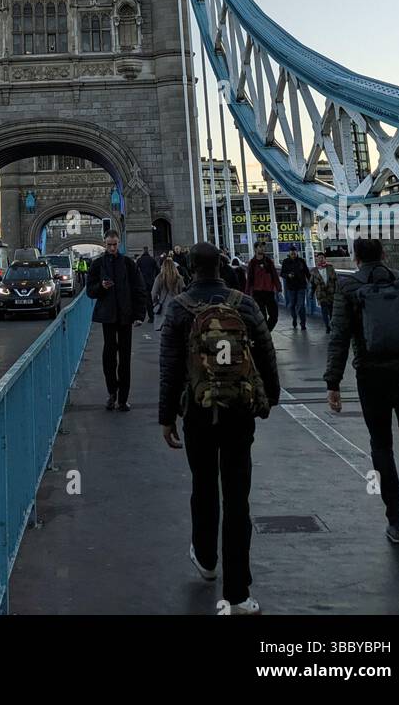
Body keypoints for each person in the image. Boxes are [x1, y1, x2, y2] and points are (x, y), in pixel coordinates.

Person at [159, 243, 281, 615]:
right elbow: (265, 351)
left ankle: (207, 559)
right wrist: (270, 397)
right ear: (221, 266)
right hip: (239, 410)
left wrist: (166, 417)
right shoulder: (243, 303)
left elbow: (170, 367)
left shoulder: (178, 308)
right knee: (237, 495)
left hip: (198, 410)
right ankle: (240, 594)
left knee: (204, 485)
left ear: (190, 268)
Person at [325, 236, 399, 557]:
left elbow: (338, 337)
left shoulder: (347, 288)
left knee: (382, 446)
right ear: (385, 255)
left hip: (371, 377)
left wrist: (333, 383)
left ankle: (397, 524)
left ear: (356, 258)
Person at [86, 231, 146, 411]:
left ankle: (123, 399)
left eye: (115, 244)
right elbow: (90, 291)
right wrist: (101, 288)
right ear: (104, 243)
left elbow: (139, 289)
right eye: (109, 244)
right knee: (109, 357)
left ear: (119, 243)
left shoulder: (128, 264)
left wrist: (139, 315)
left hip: (126, 316)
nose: (112, 248)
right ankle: (112, 392)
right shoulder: (97, 264)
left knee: (125, 359)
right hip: (108, 317)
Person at [245, 241, 281, 330]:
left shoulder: (269, 261)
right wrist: (247, 293)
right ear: (255, 248)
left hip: (269, 291)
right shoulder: (252, 263)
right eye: (260, 247)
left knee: (274, 315)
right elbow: (249, 278)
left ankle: (266, 332)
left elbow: (274, 275)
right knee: (262, 316)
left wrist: (278, 287)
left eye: (263, 247)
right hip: (257, 292)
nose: (262, 248)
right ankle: (264, 334)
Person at [281, 245, 311, 331]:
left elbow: (307, 273)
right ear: (289, 253)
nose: (293, 254)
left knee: (301, 305)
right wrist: (288, 275)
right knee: (292, 305)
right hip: (291, 287)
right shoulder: (285, 262)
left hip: (301, 286)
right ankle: (294, 319)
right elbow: (282, 273)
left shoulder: (301, 261)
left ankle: (303, 323)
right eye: (292, 252)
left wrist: (311, 282)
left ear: (297, 252)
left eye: (294, 252)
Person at [151, 254, 184, 328]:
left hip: (163, 307)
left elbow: (154, 293)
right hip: (177, 306)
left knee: (164, 330)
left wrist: (156, 303)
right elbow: (183, 292)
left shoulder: (159, 277)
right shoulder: (179, 278)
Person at [310, 252, 337, 332]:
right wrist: (311, 294)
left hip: (331, 293)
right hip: (321, 294)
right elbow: (312, 284)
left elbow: (336, 280)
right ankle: (327, 326)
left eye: (322, 257)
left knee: (332, 310)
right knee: (324, 311)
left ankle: (332, 325)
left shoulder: (330, 268)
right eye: (319, 258)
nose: (320, 259)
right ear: (317, 260)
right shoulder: (314, 271)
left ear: (325, 258)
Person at [136, 246, 159, 323]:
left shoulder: (139, 260)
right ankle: (154, 314)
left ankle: (149, 316)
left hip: (143, 282)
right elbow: (157, 270)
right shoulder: (152, 260)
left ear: (143, 251)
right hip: (151, 281)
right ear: (148, 251)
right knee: (152, 298)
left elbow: (135, 270)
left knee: (145, 299)